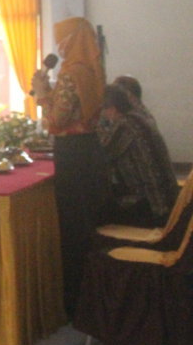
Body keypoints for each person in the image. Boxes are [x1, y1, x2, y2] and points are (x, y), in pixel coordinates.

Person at [31, 16, 108, 318]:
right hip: (90, 151)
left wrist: (41, 93)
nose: (59, 47)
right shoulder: (92, 70)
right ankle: (96, 297)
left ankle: (75, 304)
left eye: (62, 40)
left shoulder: (70, 74)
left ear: (73, 40)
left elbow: (56, 121)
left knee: (73, 228)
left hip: (72, 155)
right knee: (88, 223)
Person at [99, 85, 177, 227]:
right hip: (168, 200)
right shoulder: (141, 118)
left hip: (151, 206)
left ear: (112, 108)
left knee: (95, 208)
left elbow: (102, 154)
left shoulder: (124, 126)